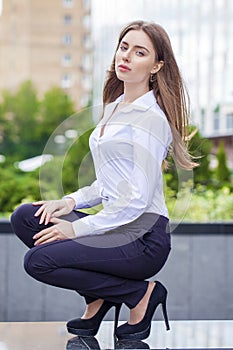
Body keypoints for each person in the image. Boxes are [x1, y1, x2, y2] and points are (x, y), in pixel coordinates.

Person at [11, 20, 197, 341]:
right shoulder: (113, 109)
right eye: (124, 47)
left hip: (142, 239)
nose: (126, 56)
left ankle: (139, 294)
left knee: (38, 262)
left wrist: (75, 227)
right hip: (116, 229)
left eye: (139, 52)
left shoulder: (151, 119)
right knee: (28, 217)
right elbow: (108, 184)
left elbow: (136, 200)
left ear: (156, 65)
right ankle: (97, 295)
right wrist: (69, 202)